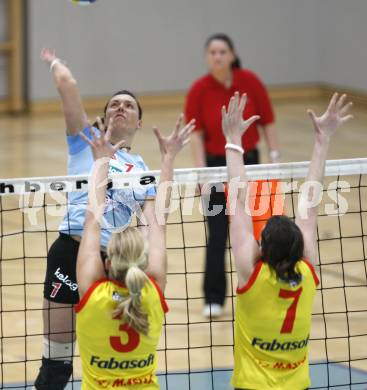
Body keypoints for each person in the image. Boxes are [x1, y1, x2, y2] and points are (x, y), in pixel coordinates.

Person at [35, 48, 156, 389]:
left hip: (113, 265)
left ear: (139, 123)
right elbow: (68, 87)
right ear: (103, 117)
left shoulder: (144, 170)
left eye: (129, 105)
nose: (121, 107)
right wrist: (55, 62)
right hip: (69, 253)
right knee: (56, 366)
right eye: (114, 104)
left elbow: (150, 224)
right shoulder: (84, 141)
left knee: (106, 360)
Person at [222, 92, 352, 389]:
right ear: (299, 247)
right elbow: (308, 210)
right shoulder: (306, 272)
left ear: (262, 249)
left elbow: (239, 202)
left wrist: (232, 139)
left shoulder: (251, 274)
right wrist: (323, 139)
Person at [75, 114, 194, 389]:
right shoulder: (151, 292)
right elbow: (157, 224)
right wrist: (168, 159)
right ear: (142, 260)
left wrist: (101, 161)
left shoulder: (94, 295)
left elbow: (92, 218)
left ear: (106, 262)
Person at [184, 34, 280, 317]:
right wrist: (202, 175)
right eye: (212, 51)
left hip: (251, 165)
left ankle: (267, 289)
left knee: (263, 230)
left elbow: (269, 122)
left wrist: (275, 160)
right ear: (206, 57)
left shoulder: (250, 82)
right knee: (217, 235)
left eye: (222, 51)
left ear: (232, 54)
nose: (217, 56)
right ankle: (213, 297)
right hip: (216, 167)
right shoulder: (198, 90)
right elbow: (196, 136)